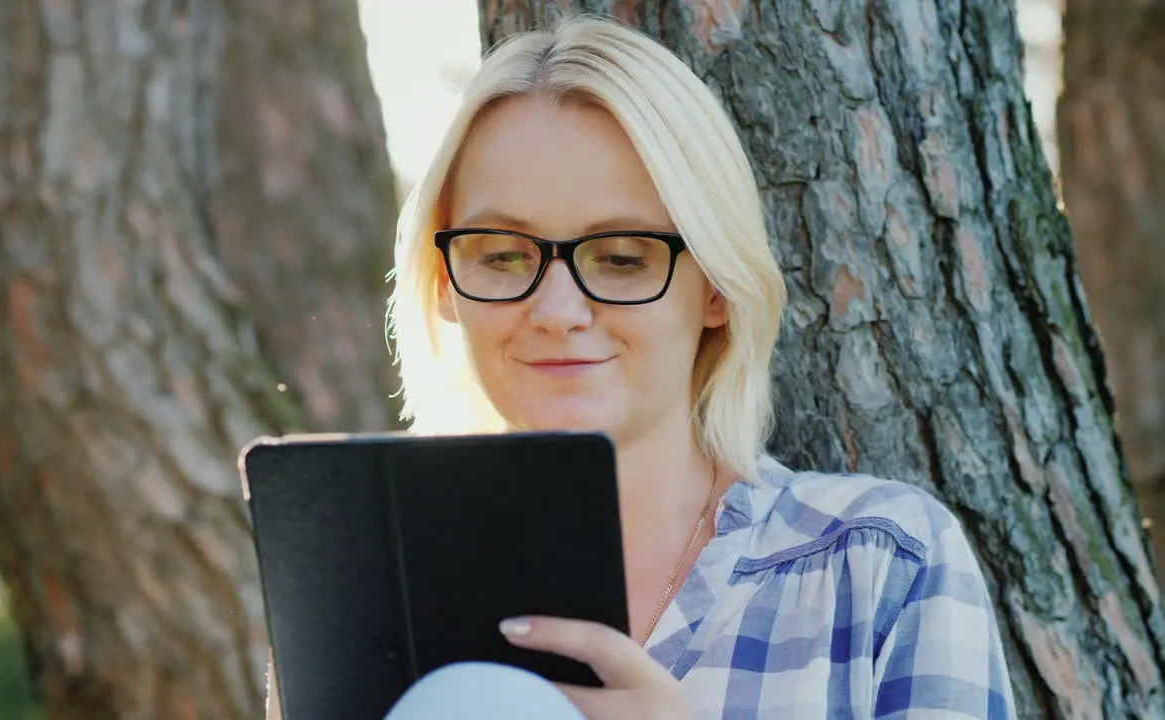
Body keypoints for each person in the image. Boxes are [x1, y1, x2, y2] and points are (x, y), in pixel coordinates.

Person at [269, 13, 1016, 720]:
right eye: (501, 255)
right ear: (444, 286)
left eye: (621, 258)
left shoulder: (882, 565)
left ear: (716, 288)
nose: (557, 309)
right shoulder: (366, 595)